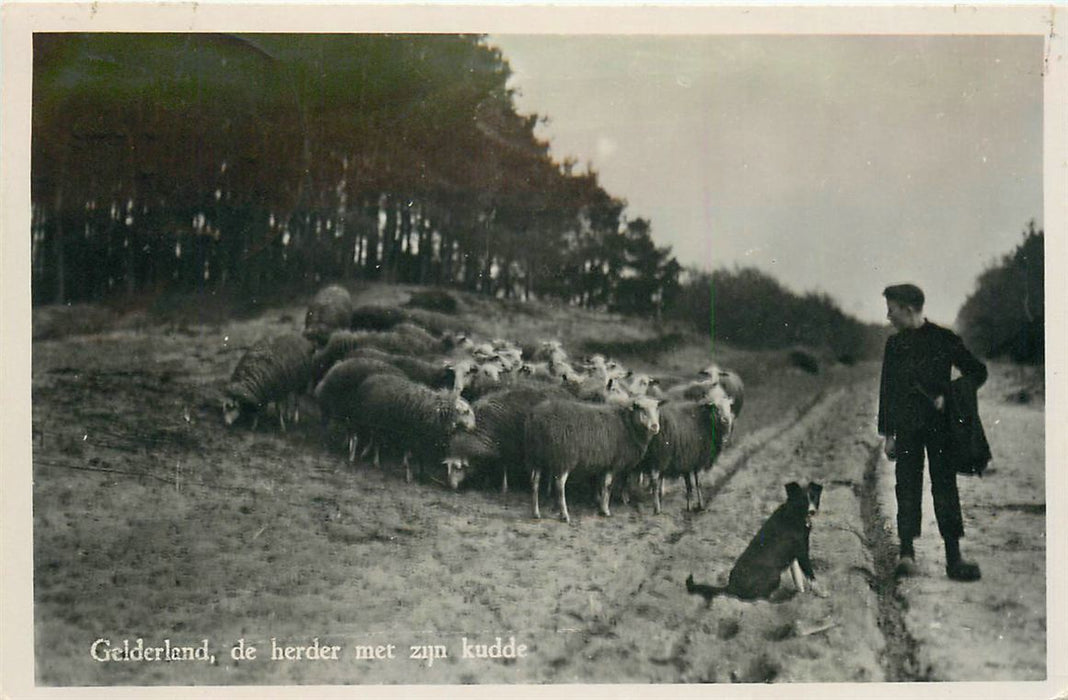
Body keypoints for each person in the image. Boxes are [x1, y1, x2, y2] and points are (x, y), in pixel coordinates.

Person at [877, 283, 987, 582]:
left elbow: (978, 371)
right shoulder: (894, 345)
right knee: (906, 486)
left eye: (892, 309)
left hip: (941, 429)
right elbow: (887, 390)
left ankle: (954, 559)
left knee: (945, 487)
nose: (888, 316)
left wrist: (948, 395)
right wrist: (888, 434)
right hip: (907, 428)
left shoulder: (945, 339)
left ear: (909, 309)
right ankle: (906, 554)